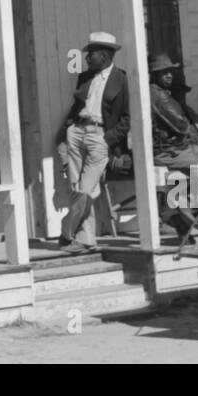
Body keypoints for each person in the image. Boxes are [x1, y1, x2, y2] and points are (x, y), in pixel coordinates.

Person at [56, 31, 130, 253]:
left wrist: (109, 139)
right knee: (77, 188)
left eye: (92, 54)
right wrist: (70, 128)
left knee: (86, 190)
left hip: (100, 136)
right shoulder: (85, 77)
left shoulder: (122, 79)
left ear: (105, 56)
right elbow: (76, 105)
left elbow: (127, 118)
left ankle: (66, 230)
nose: (87, 58)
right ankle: (86, 240)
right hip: (78, 131)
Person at [149, 54, 198, 235]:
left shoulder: (164, 94)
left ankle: (186, 210)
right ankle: (190, 214)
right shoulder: (157, 96)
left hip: (182, 147)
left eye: (170, 71)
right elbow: (181, 125)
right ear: (154, 75)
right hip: (170, 150)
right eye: (163, 72)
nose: (169, 75)